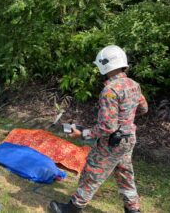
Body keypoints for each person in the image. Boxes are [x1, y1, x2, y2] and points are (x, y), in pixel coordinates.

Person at [49, 45, 148, 213]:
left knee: (91, 174)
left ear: (104, 65)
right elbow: (144, 108)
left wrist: (83, 133)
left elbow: (107, 126)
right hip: (128, 139)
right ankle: (133, 210)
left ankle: (72, 209)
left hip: (112, 143)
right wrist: (126, 121)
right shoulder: (134, 85)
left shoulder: (110, 90)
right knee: (125, 175)